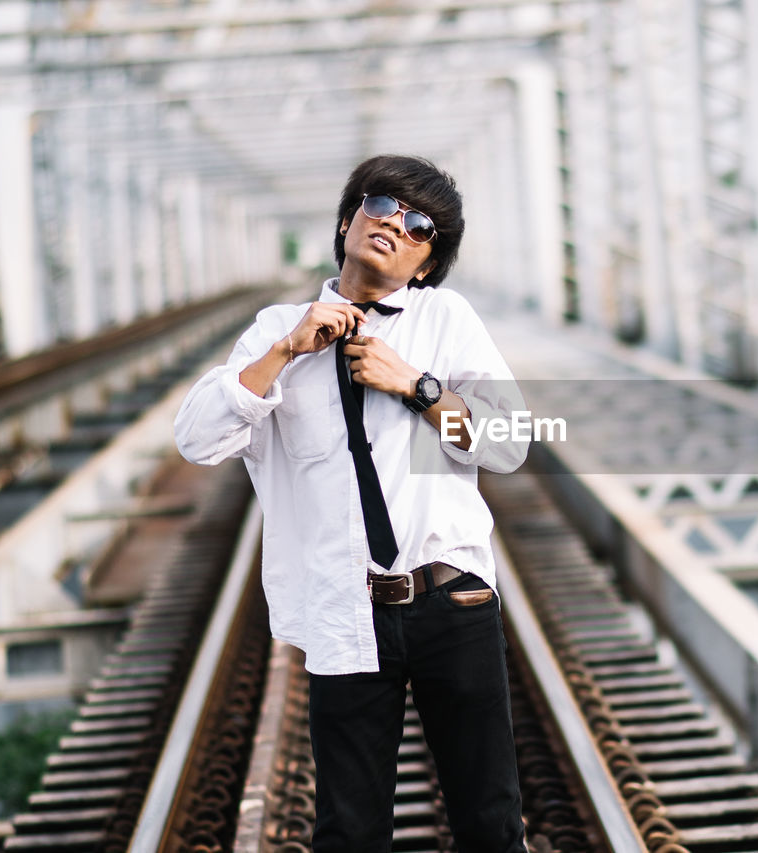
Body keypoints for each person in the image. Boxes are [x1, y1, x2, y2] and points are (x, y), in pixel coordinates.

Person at [174, 154, 529, 852]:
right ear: (346, 222)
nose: (395, 224)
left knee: (490, 823)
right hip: (346, 615)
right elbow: (197, 439)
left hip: (450, 600)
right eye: (381, 206)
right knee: (350, 831)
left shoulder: (444, 319)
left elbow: (508, 442)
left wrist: (417, 387)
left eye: (419, 225)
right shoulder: (277, 326)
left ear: (425, 264)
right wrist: (286, 349)